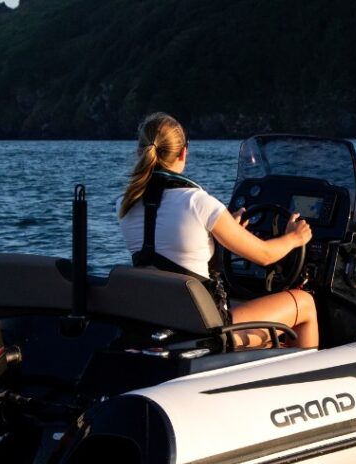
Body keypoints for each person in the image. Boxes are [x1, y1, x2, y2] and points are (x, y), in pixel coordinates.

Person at [118, 112, 318, 348]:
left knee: (250, 313)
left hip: (161, 318)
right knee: (304, 303)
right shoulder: (197, 202)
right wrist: (295, 237)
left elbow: (174, 250)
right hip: (206, 329)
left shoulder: (125, 203)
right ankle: (301, 381)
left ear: (141, 151)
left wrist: (223, 232)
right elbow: (265, 255)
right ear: (183, 152)